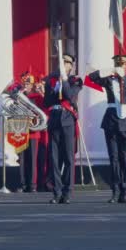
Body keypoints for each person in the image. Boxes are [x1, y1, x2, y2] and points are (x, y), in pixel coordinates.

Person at [88, 55, 126, 203]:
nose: (120, 66)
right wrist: (111, 70)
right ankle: (115, 191)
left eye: (122, 65)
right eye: (117, 64)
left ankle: (125, 191)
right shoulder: (109, 80)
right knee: (113, 158)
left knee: (124, 159)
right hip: (111, 122)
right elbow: (91, 77)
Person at [44, 53, 82, 204]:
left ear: (71, 66)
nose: (64, 65)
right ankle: (57, 191)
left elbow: (70, 96)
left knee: (68, 157)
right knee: (53, 158)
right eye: (62, 62)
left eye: (67, 63)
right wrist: (53, 87)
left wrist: (64, 80)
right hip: (54, 119)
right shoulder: (51, 80)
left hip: (67, 120)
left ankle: (67, 191)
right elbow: (47, 102)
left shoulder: (76, 81)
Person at [17, 70, 41, 193]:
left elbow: (41, 114)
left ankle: (32, 185)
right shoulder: (18, 98)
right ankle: (22, 184)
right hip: (20, 131)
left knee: (32, 160)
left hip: (33, 132)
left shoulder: (36, 97)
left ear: (31, 85)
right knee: (21, 159)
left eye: (28, 84)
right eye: (24, 83)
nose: (25, 86)